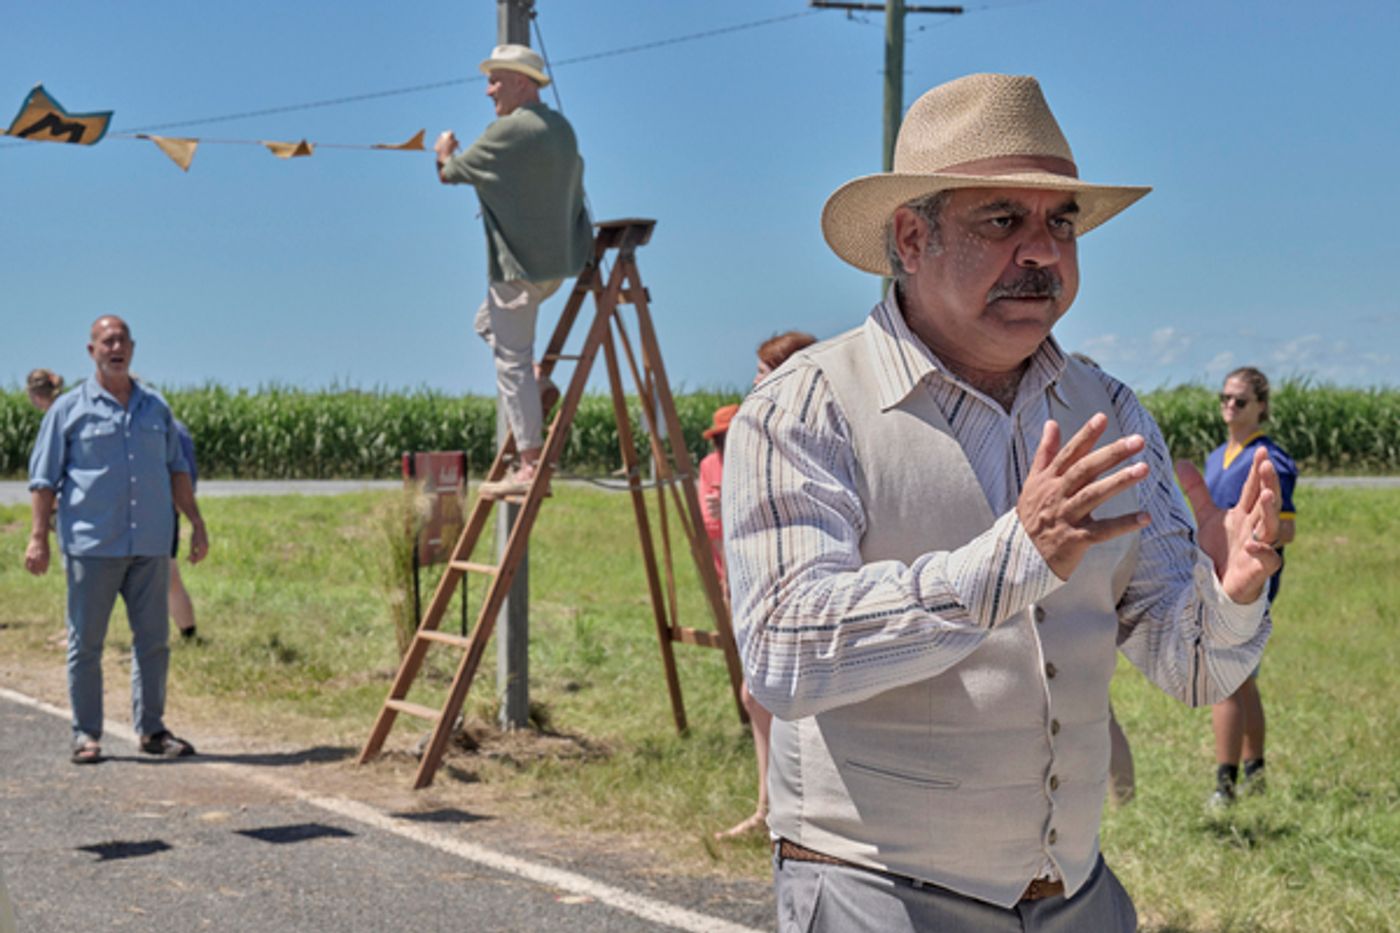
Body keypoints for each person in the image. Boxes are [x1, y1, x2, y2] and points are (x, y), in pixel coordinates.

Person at [724, 73, 1284, 930]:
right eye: (1003, 220)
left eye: (1061, 223)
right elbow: (785, 652)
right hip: (877, 895)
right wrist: (1010, 561)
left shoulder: (1108, 409)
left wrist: (1235, 595)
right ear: (912, 236)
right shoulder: (808, 405)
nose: (1043, 252)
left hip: (1076, 897)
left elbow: (1191, 663)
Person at [25, 315, 209, 764]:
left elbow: (176, 471)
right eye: (107, 341)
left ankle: (152, 731)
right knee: (85, 643)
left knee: (153, 642)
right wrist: (38, 538)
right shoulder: (68, 411)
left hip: (148, 543)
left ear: (133, 348)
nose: (115, 347)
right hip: (92, 546)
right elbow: (43, 479)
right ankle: (86, 734)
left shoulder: (155, 408)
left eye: (122, 341)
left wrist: (197, 523)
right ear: (92, 351)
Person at [433, 43, 593, 497]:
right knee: (487, 325)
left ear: (522, 82)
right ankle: (540, 382)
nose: (488, 91)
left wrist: (444, 150)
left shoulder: (509, 131)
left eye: (496, 80)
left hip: (517, 265)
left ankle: (528, 464)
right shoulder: (561, 129)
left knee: (511, 363)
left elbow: (452, 174)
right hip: (555, 265)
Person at [712, 331, 816, 841]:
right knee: (756, 693)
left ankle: (788, 813)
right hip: (761, 584)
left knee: (775, 695)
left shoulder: (806, 430)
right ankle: (771, 807)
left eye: (762, 371)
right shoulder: (764, 430)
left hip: (800, 586)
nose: (754, 381)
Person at [1202, 366, 1297, 808]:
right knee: (1243, 682)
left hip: (1248, 587)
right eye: (1224, 397)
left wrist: (1256, 537)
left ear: (1261, 406)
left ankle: (1226, 787)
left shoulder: (1270, 460)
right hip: (1216, 580)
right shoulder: (1215, 456)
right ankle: (1255, 770)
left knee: (1225, 678)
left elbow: (1287, 529)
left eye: (1240, 400)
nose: (1229, 406)